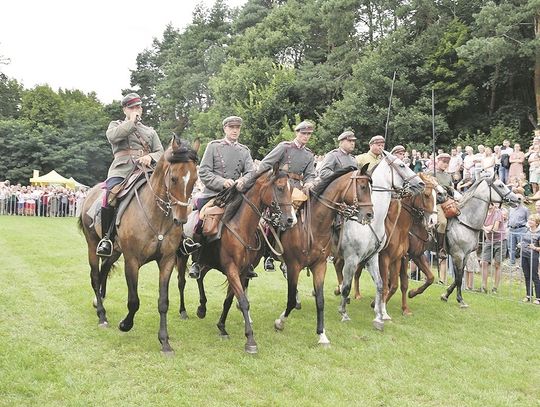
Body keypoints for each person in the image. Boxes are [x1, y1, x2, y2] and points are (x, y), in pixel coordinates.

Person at [96, 93, 164, 257]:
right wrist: (132, 122)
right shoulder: (116, 125)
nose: (136, 110)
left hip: (147, 171)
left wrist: (151, 157)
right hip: (122, 170)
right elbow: (112, 137)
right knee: (109, 194)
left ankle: (178, 237)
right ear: (125, 110)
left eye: (138, 107)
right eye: (132, 107)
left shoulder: (150, 131)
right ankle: (107, 238)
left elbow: (161, 152)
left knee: (168, 192)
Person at [189, 115, 256, 279]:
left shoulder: (244, 151)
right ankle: (197, 260)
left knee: (256, 221)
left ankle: (249, 262)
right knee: (203, 219)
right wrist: (222, 182)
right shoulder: (213, 147)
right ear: (225, 129)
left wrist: (242, 181)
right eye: (231, 127)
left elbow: (251, 172)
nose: (235, 130)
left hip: (236, 195)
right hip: (214, 193)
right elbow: (204, 172)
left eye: (237, 128)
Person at [246, 120, 317, 272]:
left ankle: (302, 251)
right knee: (270, 219)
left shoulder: (309, 154)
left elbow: (310, 174)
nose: (306, 136)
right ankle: (268, 255)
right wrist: (256, 181)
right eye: (303, 133)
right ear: (296, 133)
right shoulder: (284, 147)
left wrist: (310, 183)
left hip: (297, 190)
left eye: (308, 134)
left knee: (309, 217)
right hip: (278, 188)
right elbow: (266, 163)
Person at [434, 153, 453, 283]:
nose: (445, 164)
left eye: (447, 162)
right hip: (437, 202)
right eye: (443, 161)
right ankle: (440, 247)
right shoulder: (432, 173)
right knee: (442, 222)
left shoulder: (448, 176)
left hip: (448, 200)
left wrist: (451, 190)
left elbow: (451, 188)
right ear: (438, 161)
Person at [480, 203, 506, 294]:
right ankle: (483, 286)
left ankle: (495, 288)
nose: (490, 204)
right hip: (488, 240)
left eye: (492, 202)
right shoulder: (483, 211)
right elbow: (481, 225)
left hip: (500, 240)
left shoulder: (498, 212)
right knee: (484, 262)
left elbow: (494, 228)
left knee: (497, 264)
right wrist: (486, 228)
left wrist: (484, 227)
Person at [519, 214, 540, 304]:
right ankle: (528, 296)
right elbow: (524, 241)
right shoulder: (527, 230)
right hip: (524, 255)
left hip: (533, 256)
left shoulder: (539, 233)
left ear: (537, 223)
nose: (530, 221)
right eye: (529, 219)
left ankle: (538, 298)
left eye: (532, 220)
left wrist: (534, 248)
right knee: (526, 276)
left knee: (534, 276)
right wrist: (520, 244)